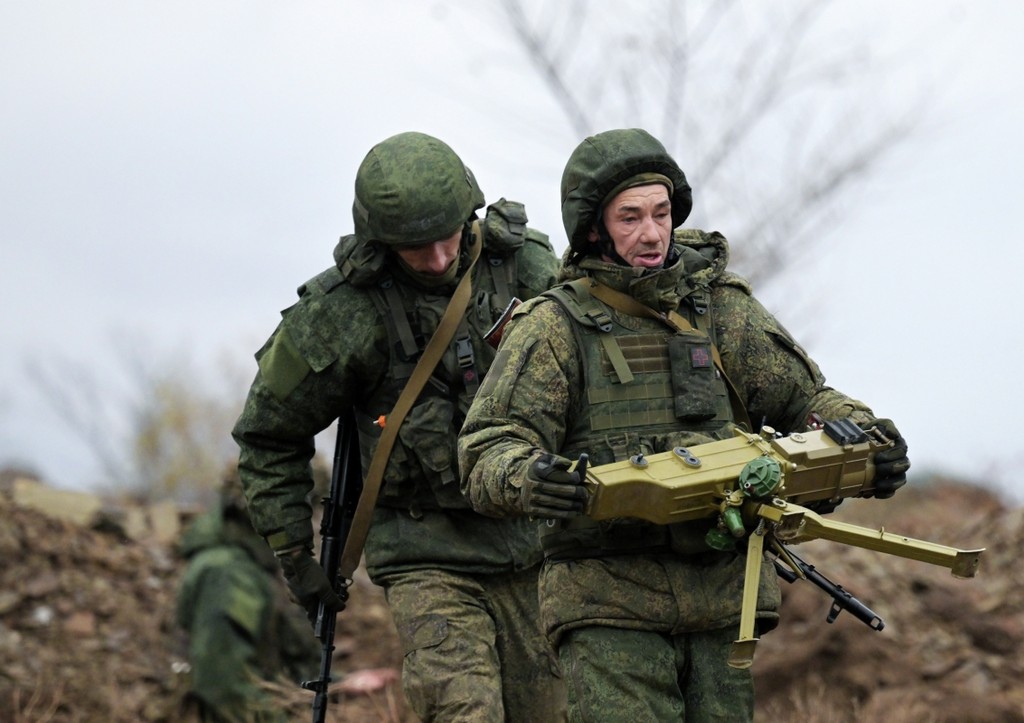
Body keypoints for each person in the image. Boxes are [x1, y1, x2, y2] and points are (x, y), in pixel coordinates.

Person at [458, 128, 911, 722]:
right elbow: (489, 446)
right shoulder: (554, 326)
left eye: (661, 212)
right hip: (607, 603)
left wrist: (862, 441)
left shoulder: (717, 307)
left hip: (723, 602)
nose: (651, 233)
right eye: (629, 218)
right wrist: (532, 476)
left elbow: (808, 400)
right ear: (594, 227)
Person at [232, 131, 564, 721]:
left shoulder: (528, 269)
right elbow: (268, 435)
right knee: (467, 711)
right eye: (416, 248)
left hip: (537, 548)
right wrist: (294, 553)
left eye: (448, 238)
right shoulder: (340, 315)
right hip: (427, 553)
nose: (438, 261)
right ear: (380, 241)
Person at [175, 473, 320, 723]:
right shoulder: (227, 573)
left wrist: (342, 686)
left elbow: (281, 670)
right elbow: (224, 685)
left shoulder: (255, 566)